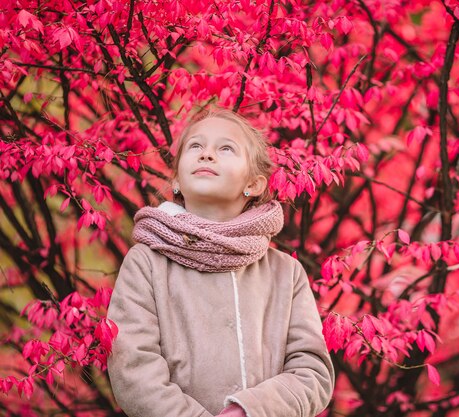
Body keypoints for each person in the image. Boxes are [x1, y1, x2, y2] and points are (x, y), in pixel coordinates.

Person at [106, 109, 335, 417]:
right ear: (175, 181)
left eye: (226, 148)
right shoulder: (147, 262)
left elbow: (312, 372)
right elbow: (133, 367)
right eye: (195, 147)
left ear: (253, 185)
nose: (207, 155)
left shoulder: (286, 272)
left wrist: (249, 411)